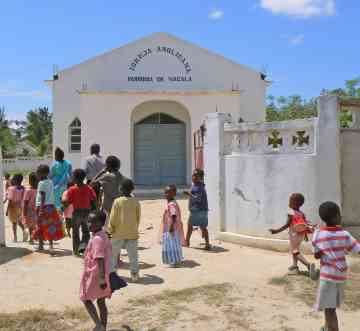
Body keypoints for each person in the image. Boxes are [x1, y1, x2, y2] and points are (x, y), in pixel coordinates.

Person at [313, 202, 360, 331]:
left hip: (327, 276)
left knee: (329, 309)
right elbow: (357, 249)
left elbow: (316, 256)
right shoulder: (344, 234)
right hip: (340, 277)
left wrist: (324, 250)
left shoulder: (318, 235)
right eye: (339, 214)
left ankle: (332, 328)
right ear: (336, 217)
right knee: (330, 306)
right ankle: (327, 327)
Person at [269, 193, 316, 277]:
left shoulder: (291, 212)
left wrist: (276, 231)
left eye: (290, 201)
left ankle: (308, 265)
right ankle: (295, 267)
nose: (289, 202)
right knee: (296, 250)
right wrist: (305, 235)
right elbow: (303, 225)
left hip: (294, 235)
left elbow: (287, 225)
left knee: (294, 251)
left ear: (295, 203)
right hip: (300, 235)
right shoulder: (302, 213)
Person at [80, 211, 112, 331]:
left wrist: (102, 278)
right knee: (101, 301)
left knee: (86, 299)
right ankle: (103, 326)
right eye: (88, 221)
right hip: (102, 274)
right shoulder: (101, 235)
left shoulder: (97, 239)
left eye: (93, 222)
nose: (89, 224)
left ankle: (99, 326)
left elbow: (100, 258)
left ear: (101, 223)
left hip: (95, 275)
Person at [108, 179, 141, 282]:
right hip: (132, 233)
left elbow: (112, 217)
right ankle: (134, 274)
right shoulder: (136, 201)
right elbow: (138, 217)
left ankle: (112, 274)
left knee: (113, 255)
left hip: (118, 233)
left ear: (121, 189)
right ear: (132, 189)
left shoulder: (117, 201)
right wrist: (134, 228)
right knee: (133, 256)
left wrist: (110, 229)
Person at [63, 169, 96, 256]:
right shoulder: (89, 188)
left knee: (75, 232)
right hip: (87, 213)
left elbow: (68, 202)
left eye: (73, 177)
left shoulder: (71, 189)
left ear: (75, 179)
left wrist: (63, 204)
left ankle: (76, 251)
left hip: (77, 213)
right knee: (86, 232)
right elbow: (93, 199)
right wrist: (94, 210)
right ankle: (83, 246)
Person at [35, 164, 64, 251]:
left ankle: (41, 245)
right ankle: (51, 245)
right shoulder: (50, 181)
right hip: (51, 207)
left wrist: (40, 210)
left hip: (42, 207)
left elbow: (42, 196)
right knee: (51, 226)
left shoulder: (41, 183)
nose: (37, 175)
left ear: (41, 173)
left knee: (40, 226)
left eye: (38, 173)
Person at [91, 156, 126, 226]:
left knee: (107, 231)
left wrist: (102, 171)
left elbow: (92, 183)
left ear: (107, 166)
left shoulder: (106, 177)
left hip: (108, 208)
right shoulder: (123, 178)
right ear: (118, 166)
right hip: (120, 207)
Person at [184, 169, 211, 250]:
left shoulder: (199, 187)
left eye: (196, 175)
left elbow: (197, 199)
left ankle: (187, 242)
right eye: (193, 175)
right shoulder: (197, 185)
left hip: (197, 210)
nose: (194, 177)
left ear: (200, 177)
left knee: (190, 226)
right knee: (203, 227)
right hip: (202, 210)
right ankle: (207, 244)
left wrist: (189, 194)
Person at [160, 185, 185, 268]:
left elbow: (173, 215)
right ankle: (177, 259)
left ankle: (174, 261)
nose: (166, 194)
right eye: (165, 192)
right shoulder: (173, 202)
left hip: (172, 228)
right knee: (175, 244)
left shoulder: (171, 204)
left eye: (168, 193)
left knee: (172, 245)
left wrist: (171, 227)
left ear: (174, 194)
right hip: (174, 228)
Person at [6, 173, 26, 242]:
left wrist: (7, 210)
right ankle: (24, 232)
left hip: (13, 207)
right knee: (20, 221)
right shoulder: (23, 188)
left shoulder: (11, 188)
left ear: (15, 180)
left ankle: (15, 238)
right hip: (20, 206)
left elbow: (10, 200)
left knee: (14, 223)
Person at [22, 173, 38, 244]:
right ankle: (32, 238)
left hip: (35, 210)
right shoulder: (29, 191)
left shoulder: (29, 190)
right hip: (31, 210)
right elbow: (25, 202)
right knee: (32, 225)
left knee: (33, 225)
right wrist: (24, 212)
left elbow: (25, 202)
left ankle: (33, 238)